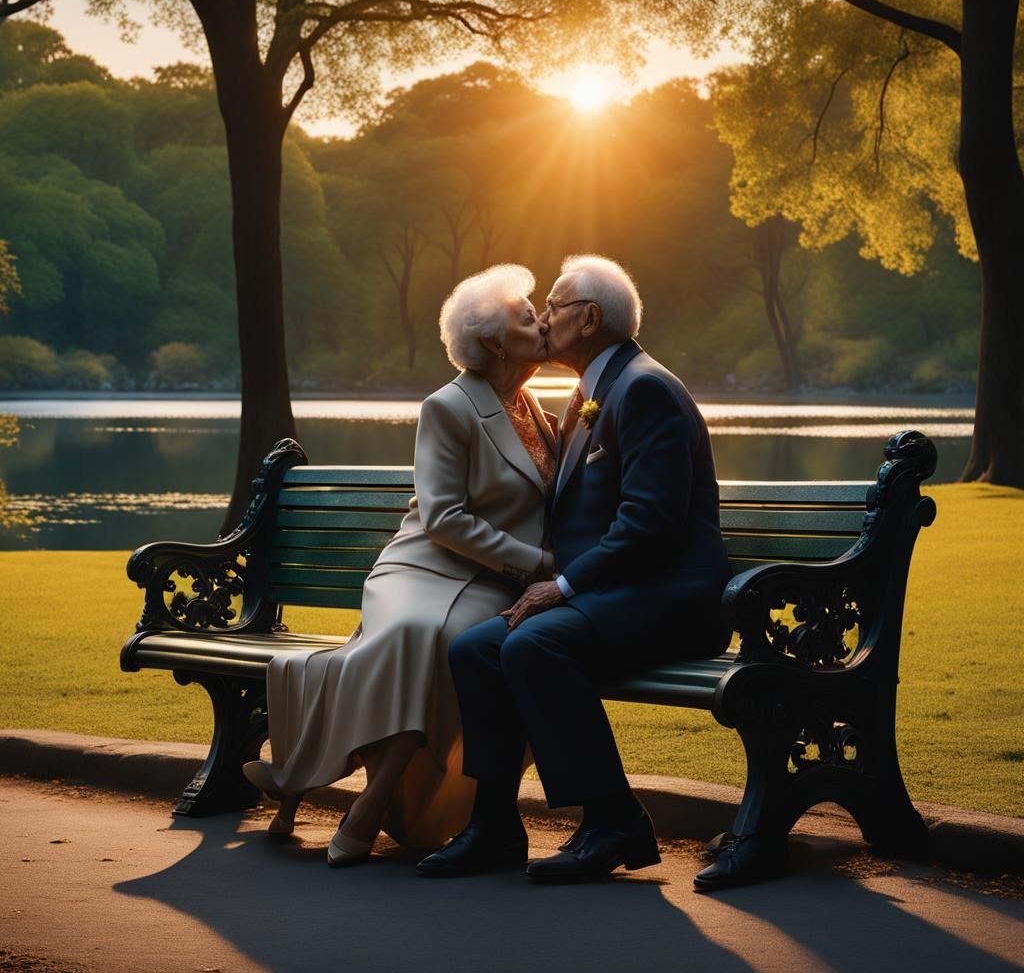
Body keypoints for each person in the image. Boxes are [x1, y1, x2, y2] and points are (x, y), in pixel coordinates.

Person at [417, 254, 732, 883]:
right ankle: (494, 828)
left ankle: (613, 820)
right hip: (620, 592)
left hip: (673, 598)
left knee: (536, 645)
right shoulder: (592, 390)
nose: (544, 318)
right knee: (475, 650)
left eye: (556, 306)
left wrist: (559, 585)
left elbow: (650, 525)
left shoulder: (643, 389)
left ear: (589, 318)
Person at [242, 264, 556, 865]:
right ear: (493, 342)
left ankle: (370, 799)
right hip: (420, 569)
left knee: (456, 645)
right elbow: (443, 517)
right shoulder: (448, 406)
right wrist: (539, 563)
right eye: (526, 317)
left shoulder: (538, 407)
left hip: (491, 583)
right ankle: (375, 799)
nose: (541, 322)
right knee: (419, 633)